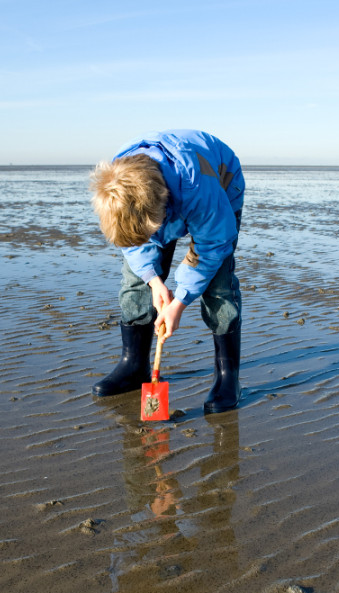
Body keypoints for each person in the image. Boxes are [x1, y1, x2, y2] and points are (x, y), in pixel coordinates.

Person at [89, 129, 245, 414]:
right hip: (166, 197)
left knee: (217, 285)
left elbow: (211, 247)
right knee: (134, 281)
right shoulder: (116, 185)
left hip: (219, 182)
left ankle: (227, 377)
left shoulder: (199, 187)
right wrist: (154, 281)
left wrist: (180, 302)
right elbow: (134, 245)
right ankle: (133, 365)